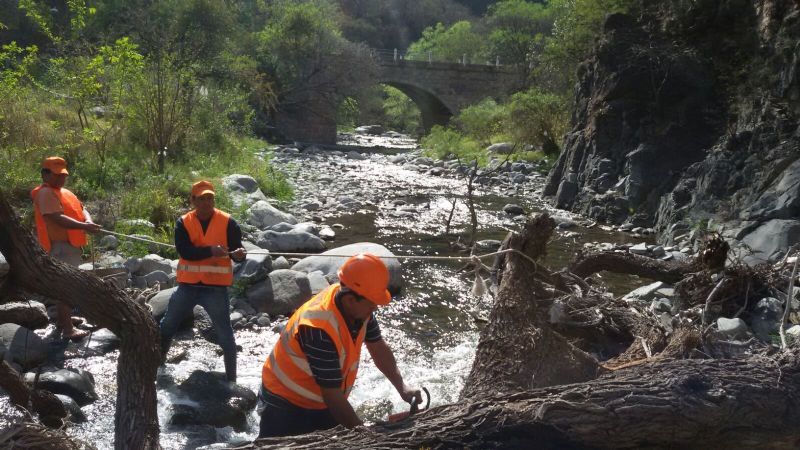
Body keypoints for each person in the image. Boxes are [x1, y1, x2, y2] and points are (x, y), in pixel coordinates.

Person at [258, 253, 422, 438]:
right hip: (284, 403)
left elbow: (378, 348)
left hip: (322, 401)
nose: (375, 308)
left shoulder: (359, 307)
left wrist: (402, 386)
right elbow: (332, 395)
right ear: (351, 300)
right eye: (372, 303)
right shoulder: (318, 327)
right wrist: (366, 437)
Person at [159, 180, 246, 382]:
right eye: (202, 199)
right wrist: (210, 251)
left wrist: (240, 255)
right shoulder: (183, 222)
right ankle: (159, 365)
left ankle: (232, 379)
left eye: (210, 198)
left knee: (225, 333)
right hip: (187, 286)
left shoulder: (228, 222)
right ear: (193, 200)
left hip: (215, 289)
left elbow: (236, 253)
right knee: (168, 324)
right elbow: (185, 252)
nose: (207, 202)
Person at [31, 156, 103, 341]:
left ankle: (66, 319)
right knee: (66, 286)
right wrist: (84, 227)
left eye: (63, 175)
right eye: (56, 175)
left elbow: (82, 208)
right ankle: (68, 329)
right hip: (59, 248)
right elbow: (56, 217)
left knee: (66, 285)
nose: (61, 178)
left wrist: (88, 220)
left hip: (70, 246)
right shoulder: (46, 193)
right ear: (45, 174)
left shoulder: (65, 192)